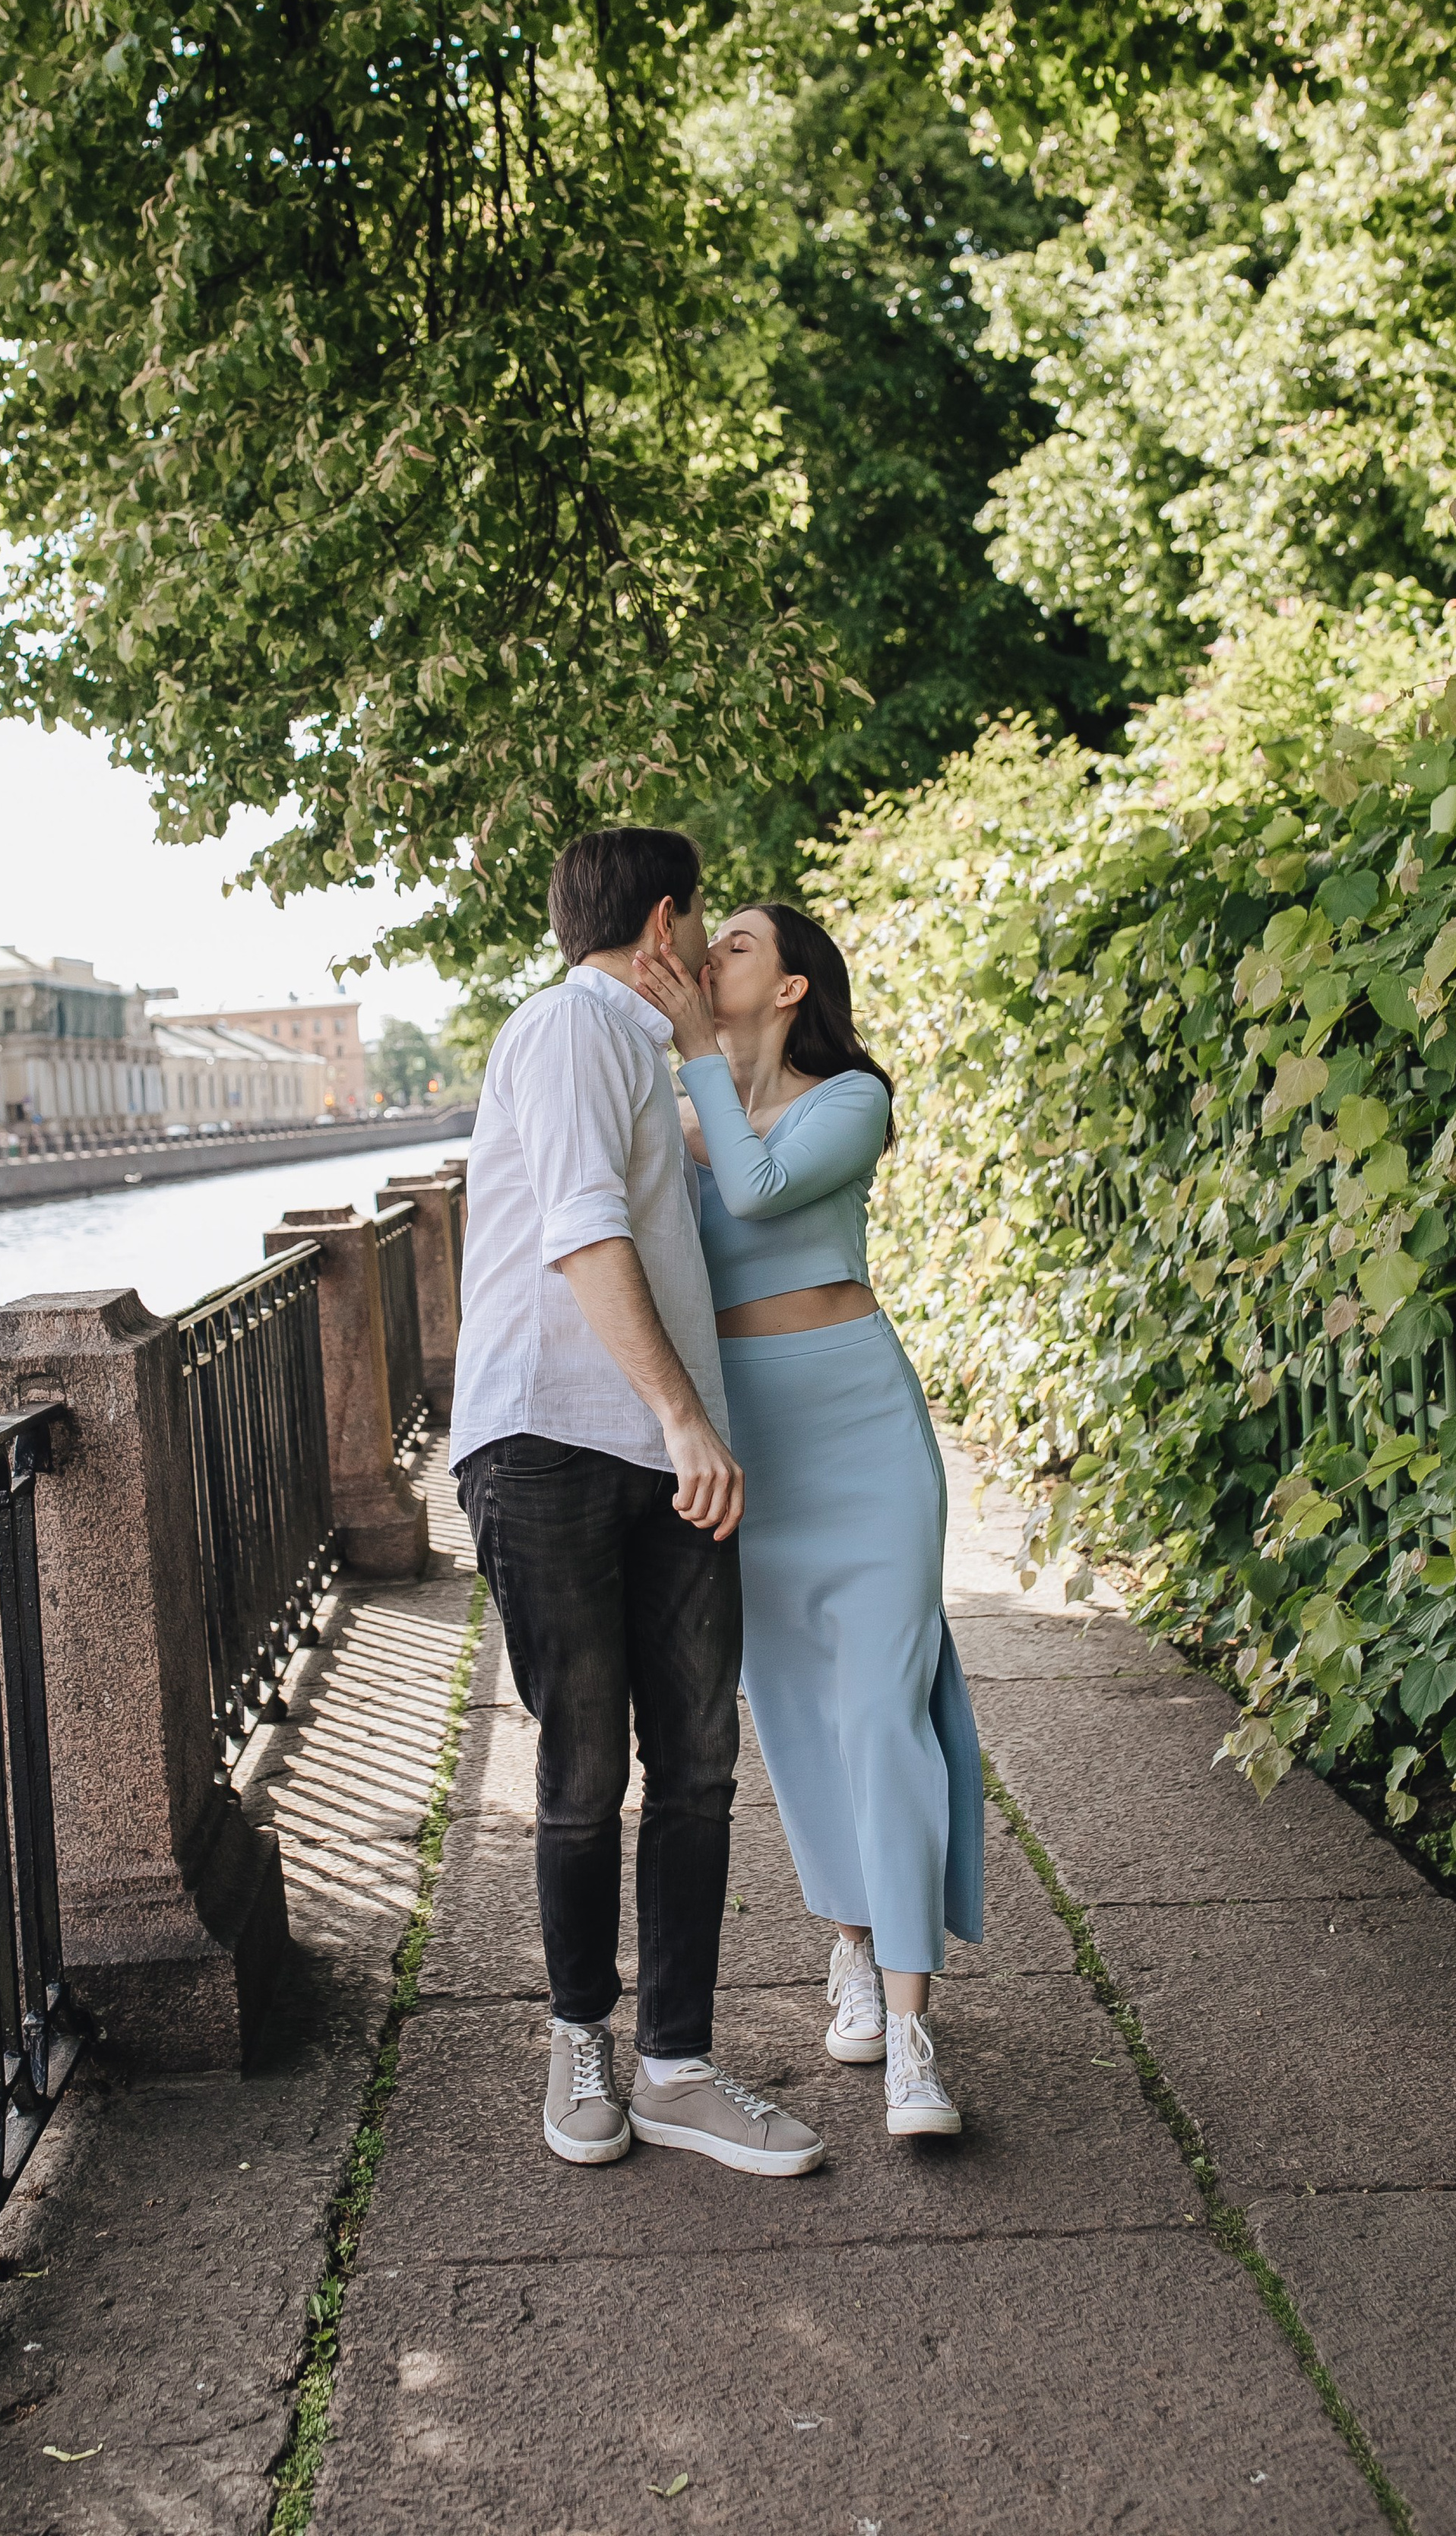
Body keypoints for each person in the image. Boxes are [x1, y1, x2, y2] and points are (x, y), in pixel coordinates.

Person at [450, 828, 825, 2177]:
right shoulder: (563, 1028)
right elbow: (579, 1229)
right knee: (584, 1764)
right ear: (665, 921)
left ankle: (674, 2062)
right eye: (704, 915)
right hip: (553, 1437)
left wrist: (684, 1431)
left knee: (700, 1761)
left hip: (659, 1452)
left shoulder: (631, 1047)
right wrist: (684, 1418)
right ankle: (580, 2041)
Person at [633, 902, 983, 2136]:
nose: (710, 958)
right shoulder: (681, 1126)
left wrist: (688, 1058)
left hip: (862, 1427)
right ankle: (850, 1943)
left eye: (735, 944)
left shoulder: (851, 1100)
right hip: (751, 1444)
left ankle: (913, 2034)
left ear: (789, 989)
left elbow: (769, 1186)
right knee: (792, 1715)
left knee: (885, 1713)